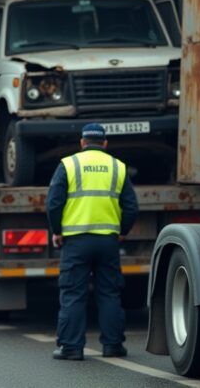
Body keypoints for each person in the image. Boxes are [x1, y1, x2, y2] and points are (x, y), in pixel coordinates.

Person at [46, 123, 138, 361]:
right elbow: (131, 207)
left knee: (73, 292)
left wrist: (57, 230)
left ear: (82, 142)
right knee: (109, 292)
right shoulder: (117, 167)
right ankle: (113, 345)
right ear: (105, 143)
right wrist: (122, 231)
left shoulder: (69, 165)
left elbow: (53, 203)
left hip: (76, 241)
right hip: (107, 241)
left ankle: (71, 347)